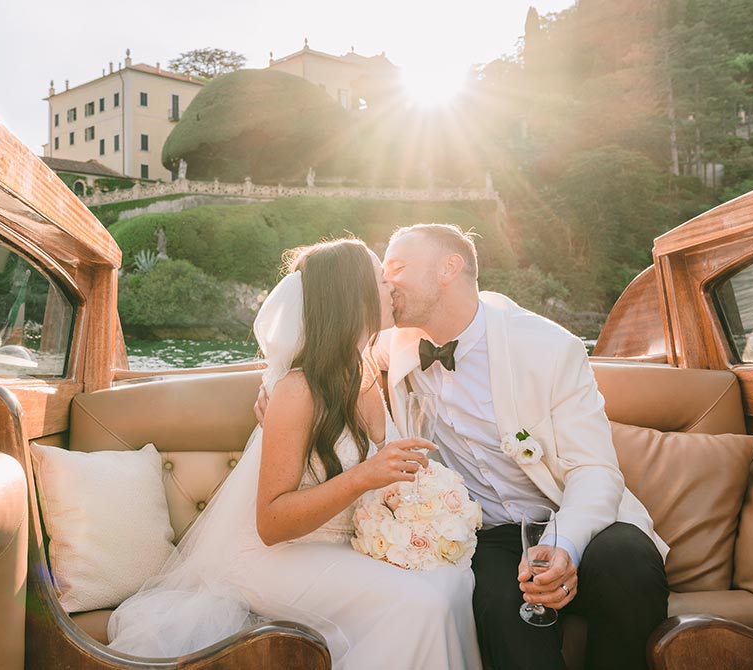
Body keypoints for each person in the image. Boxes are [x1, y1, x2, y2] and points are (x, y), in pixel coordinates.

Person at [107, 238, 481, 670]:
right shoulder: (297, 391)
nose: (392, 287)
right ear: (352, 296)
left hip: (342, 546)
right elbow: (271, 524)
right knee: (420, 603)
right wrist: (365, 476)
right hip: (273, 557)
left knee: (452, 579)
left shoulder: (361, 370)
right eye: (382, 279)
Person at [376, 223, 669, 670]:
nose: (385, 282)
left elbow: (595, 469)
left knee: (628, 562)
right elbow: (333, 345)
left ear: (448, 268)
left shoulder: (550, 347)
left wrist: (567, 544)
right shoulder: (395, 343)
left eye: (396, 268)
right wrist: (283, 385)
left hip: (569, 513)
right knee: (495, 600)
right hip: (489, 536)